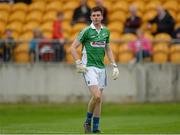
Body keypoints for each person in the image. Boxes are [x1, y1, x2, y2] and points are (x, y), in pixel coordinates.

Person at [71, 6, 119, 133]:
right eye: (94, 15)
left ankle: (96, 128)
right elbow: (72, 47)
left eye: (98, 15)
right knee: (97, 96)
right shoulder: (86, 31)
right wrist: (78, 63)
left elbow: (107, 49)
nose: (96, 17)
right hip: (89, 68)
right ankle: (87, 122)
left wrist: (114, 65)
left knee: (99, 99)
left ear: (102, 17)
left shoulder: (106, 32)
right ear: (91, 17)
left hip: (101, 68)